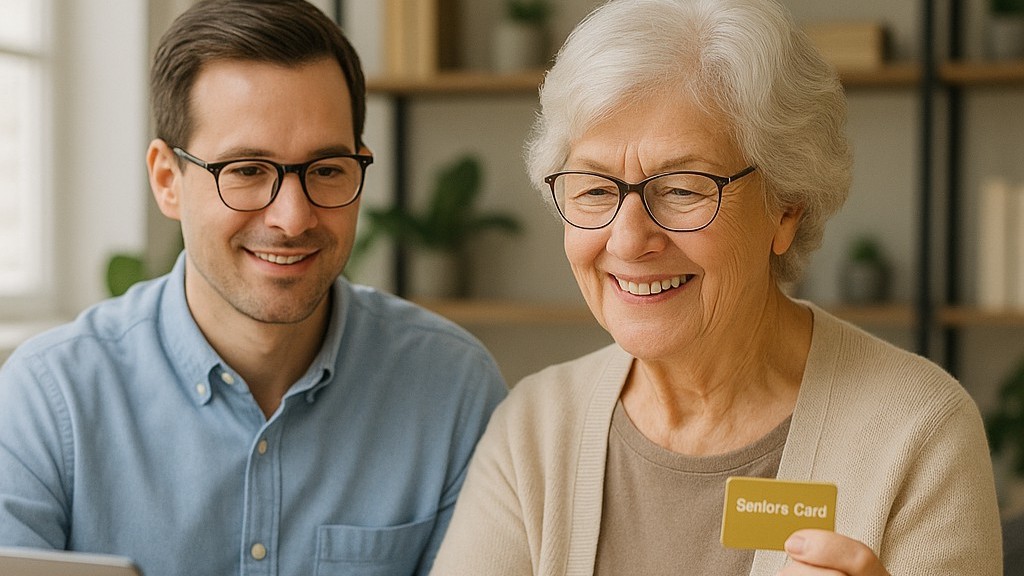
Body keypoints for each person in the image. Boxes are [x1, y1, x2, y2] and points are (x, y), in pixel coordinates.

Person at [431, 0, 1001, 574]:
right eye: (596, 190)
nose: (628, 240)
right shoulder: (533, 429)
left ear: (786, 208)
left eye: (682, 189)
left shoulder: (918, 431)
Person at [0, 1, 507, 575]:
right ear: (168, 181)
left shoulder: (454, 390)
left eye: (327, 169)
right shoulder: (51, 401)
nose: (292, 218)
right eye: (245, 170)